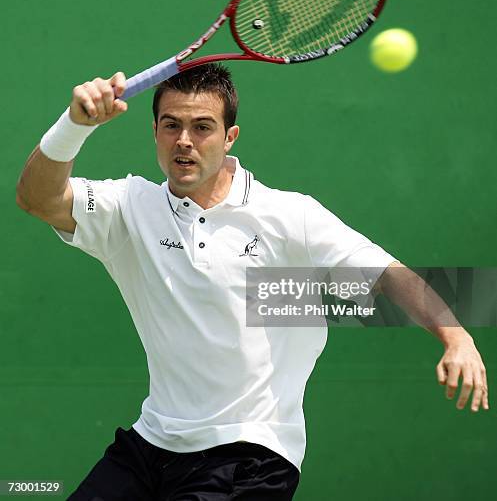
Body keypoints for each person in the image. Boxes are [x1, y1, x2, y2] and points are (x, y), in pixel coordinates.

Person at [16, 64, 489, 500]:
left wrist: (456, 335)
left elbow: (387, 276)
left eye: (202, 127)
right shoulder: (129, 208)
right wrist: (74, 126)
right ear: (155, 132)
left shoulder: (289, 216)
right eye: (171, 125)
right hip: (152, 443)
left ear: (229, 137)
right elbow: (37, 198)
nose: (185, 140)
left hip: (250, 454)